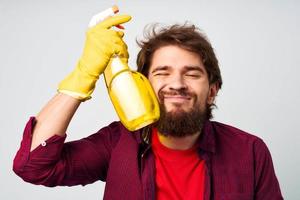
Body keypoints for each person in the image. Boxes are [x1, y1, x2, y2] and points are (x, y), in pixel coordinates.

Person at [13, 14, 283, 200]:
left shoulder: (250, 151)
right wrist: (83, 76)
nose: (176, 83)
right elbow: (34, 166)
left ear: (212, 91)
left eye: (191, 73)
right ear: (142, 85)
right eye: (162, 72)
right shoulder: (117, 142)